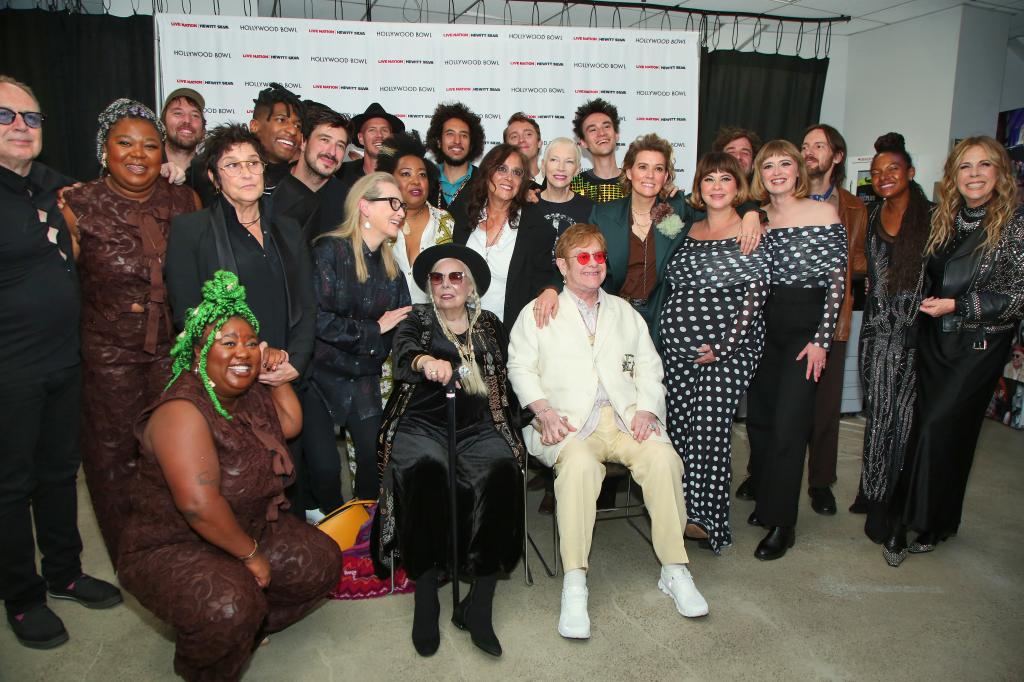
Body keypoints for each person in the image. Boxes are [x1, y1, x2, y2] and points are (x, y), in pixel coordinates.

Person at [117, 271, 342, 682]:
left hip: (249, 526)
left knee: (322, 561)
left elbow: (289, 425)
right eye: (228, 343)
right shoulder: (182, 410)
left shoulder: (246, 390)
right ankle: (207, 658)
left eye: (251, 343)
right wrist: (250, 555)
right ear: (199, 352)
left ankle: (251, 626)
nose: (243, 352)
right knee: (229, 606)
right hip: (173, 546)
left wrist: (274, 379)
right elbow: (198, 505)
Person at [508, 222, 709, 640]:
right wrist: (542, 411)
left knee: (663, 459)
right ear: (562, 266)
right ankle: (575, 581)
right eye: (582, 257)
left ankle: (674, 569)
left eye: (599, 256)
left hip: (624, 418)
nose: (593, 264)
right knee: (579, 468)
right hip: (565, 423)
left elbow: (650, 366)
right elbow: (520, 367)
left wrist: (648, 409)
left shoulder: (624, 312)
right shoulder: (539, 311)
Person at [0, 74, 122, 651]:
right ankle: (22, 599)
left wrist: (177, 175)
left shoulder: (54, 187)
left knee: (57, 475)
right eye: (6, 116)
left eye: (31, 118)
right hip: (8, 372)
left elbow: (116, 193)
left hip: (64, 361)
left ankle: (65, 572)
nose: (21, 127)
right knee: (9, 486)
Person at [60, 98, 200, 562]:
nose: (138, 154)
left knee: (179, 455)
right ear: (105, 151)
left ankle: (179, 550)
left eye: (150, 145)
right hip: (109, 360)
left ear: (164, 155)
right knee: (113, 461)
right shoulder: (77, 205)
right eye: (125, 143)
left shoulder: (185, 200)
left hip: (176, 354)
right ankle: (132, 559)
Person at [373, 244, 524, 658]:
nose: (445, 285)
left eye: (455, 277)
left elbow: (511, 373)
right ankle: (426, 597)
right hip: (422, 425)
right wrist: (425, 362)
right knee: (425, 469)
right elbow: (403, 355)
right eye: (437, 278)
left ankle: (480, 603)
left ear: (471, 285)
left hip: (478, 426)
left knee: (502, 470)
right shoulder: (418, 319)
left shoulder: (490, 323)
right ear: (428, 286)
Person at [882, 136, 1024, 567]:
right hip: (935, 340)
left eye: (984, 165)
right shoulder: (948, 217)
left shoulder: (1014, 224)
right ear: (953, 176)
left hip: (977, 346)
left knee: (935, 428)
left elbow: (1017, 296)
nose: (975, 174)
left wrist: (958, 305)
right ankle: (939, 521)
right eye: (965, 166)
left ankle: (908, 525)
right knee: (939, 431)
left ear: (1000, 172)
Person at [660, 152, 770, 554]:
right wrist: (664, 191)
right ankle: (678, 511)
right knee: (678, 432)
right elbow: (650, 210)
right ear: (699, 188)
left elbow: (755, 296)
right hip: (677, 352)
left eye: (727, 178)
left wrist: (723, 347)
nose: (718, 186)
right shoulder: (685, 227)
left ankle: (708, 520)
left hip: (726, 352)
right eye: (709, 179)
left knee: (710, 432)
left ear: (738, 187)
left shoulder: (751, 229)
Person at [744, 139, 846, 561]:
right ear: (761, 175)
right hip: (764, 327)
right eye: (768, 166)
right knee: (763, 422)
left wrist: (822, 340)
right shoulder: (758, 217)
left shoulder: (823, 212)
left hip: (805, 331)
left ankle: (782, 523)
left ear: (798, 169)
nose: (777, 171)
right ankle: (768, 497)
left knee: (790, 426)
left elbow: (838, 283)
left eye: (785, 163)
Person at [166, 123, 314, 386]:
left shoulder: (289, 229)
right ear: (214, 177)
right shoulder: (190, 231)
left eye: (253, 163)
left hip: (289, 374)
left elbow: (308, 303)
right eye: (233, 165)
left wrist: (296, 362)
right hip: (228, 376)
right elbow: (188, 316)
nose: (247, 173)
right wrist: (249, 356)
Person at [304, 172, 412, 508]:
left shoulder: (392, 268)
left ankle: (365, 537)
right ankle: (329, 528)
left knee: (372, 462)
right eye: (392, 203)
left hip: (362, 376)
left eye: (402, 205)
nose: (401, 211)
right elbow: (316, 318)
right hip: (318, 378)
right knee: (324, 468)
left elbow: (402, 326)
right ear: (364, 206)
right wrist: (372, 331)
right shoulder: (328, 251)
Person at [590, 133, 761, 344]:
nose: (650, 175)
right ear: (629, 172)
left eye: (658, 169)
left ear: (666, 176)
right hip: (614, 315)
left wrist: (751, 212)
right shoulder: (604, 215)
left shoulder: (673, 210)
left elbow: (716, 198)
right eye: (643, 167)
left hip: (660, 320)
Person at [856, 132, 933, 542]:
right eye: (877, 172)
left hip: (914, 336)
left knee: (902, 421)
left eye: (893, 169)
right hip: (875, 335)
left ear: (910, 172)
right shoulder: (871, 215)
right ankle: (871, 490)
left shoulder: (935, 217)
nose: (884, 177)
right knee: (878, 416)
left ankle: (889, 502)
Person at [797, 123, 868, 516]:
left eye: (818, 146)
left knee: (825, 409)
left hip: (833, 319)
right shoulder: (784, 198)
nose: (809, 152)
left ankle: (821, 482)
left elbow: (861, 262)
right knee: (774, 404)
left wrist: (825, 262)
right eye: (805, 146)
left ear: (836, 156)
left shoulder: (855, 208)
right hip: (786, 316)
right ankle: (761, 473)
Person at [454, 143, 560, 331]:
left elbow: (547, 274)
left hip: (508, 335)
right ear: (487, 172)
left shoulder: (535, 227)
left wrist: (551, 290)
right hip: (458, 331)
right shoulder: (462, 213)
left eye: (517, 173)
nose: (509, 178)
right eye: (502, 169)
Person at [376, 131, 455, 303]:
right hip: (384, 322)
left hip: (434, 323)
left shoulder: (446, 222)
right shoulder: (377, 221)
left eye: (422, 174)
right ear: (390, 179)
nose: (416, 181)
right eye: (406, 174)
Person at [271, 102, 350, 242]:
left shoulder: (349, 203)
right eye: (325, 140)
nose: (332, 152)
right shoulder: (268, 187)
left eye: (340, 145)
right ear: (303, 142)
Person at [519, 136, 594, 259]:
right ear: (543, 165)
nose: (561, 168)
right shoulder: (527, 205)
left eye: (569, 161)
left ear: (577, 169)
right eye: (554, 160)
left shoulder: (590, 209)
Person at [336, 102, 404, 205]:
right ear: (361, 138)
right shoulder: (341, 174)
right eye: (372, 130)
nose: (379, 135)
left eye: (384, 130)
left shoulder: (403, 176)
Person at [426, 101, 485, 215]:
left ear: (471, 144)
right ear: (438, 141)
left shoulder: (485, 182)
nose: (457, 141)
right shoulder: (425, 179)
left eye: (464, 135)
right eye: (450, 134)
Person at [160, 87, 214, 205]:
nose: (187, 120)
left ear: (203, 131)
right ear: (162, 124)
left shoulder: (211, 176)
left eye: (195, 115)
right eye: (178, 113)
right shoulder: (147, 169)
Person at [248, 83, 303, 193]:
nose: (293, 131)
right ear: (254, 126)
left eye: (298, 126)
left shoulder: (303, 196)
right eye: (281, 120)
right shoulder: (223, 179)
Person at [569, 98, 624, 203]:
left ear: (616, 135)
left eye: (606, 126)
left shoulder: (633, 181)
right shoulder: (574, 185)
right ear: (583, 142)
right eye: (593, 129)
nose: (601, 133)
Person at [504, 112, 543, 188]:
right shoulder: (498, 185)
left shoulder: (554, 182)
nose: (521, 140)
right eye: (514, 136)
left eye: (528, 134)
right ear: (505, 147)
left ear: (539, 143)